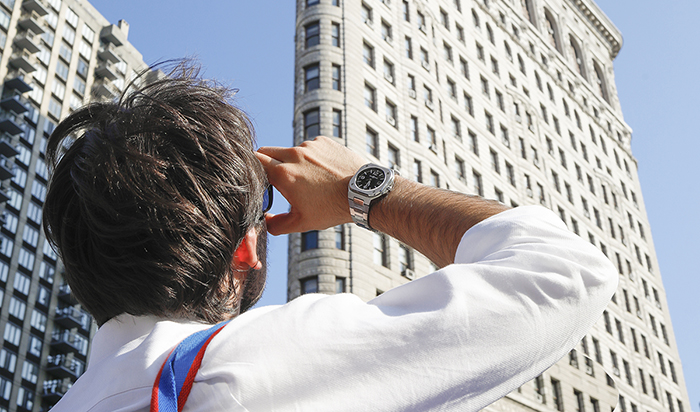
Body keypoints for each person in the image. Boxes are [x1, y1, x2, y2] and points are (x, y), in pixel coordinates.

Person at [43, 69, 617, 412]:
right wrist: (365, 189)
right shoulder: (244, 368)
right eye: (262, 213)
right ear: (242, 253)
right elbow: (563, 270)